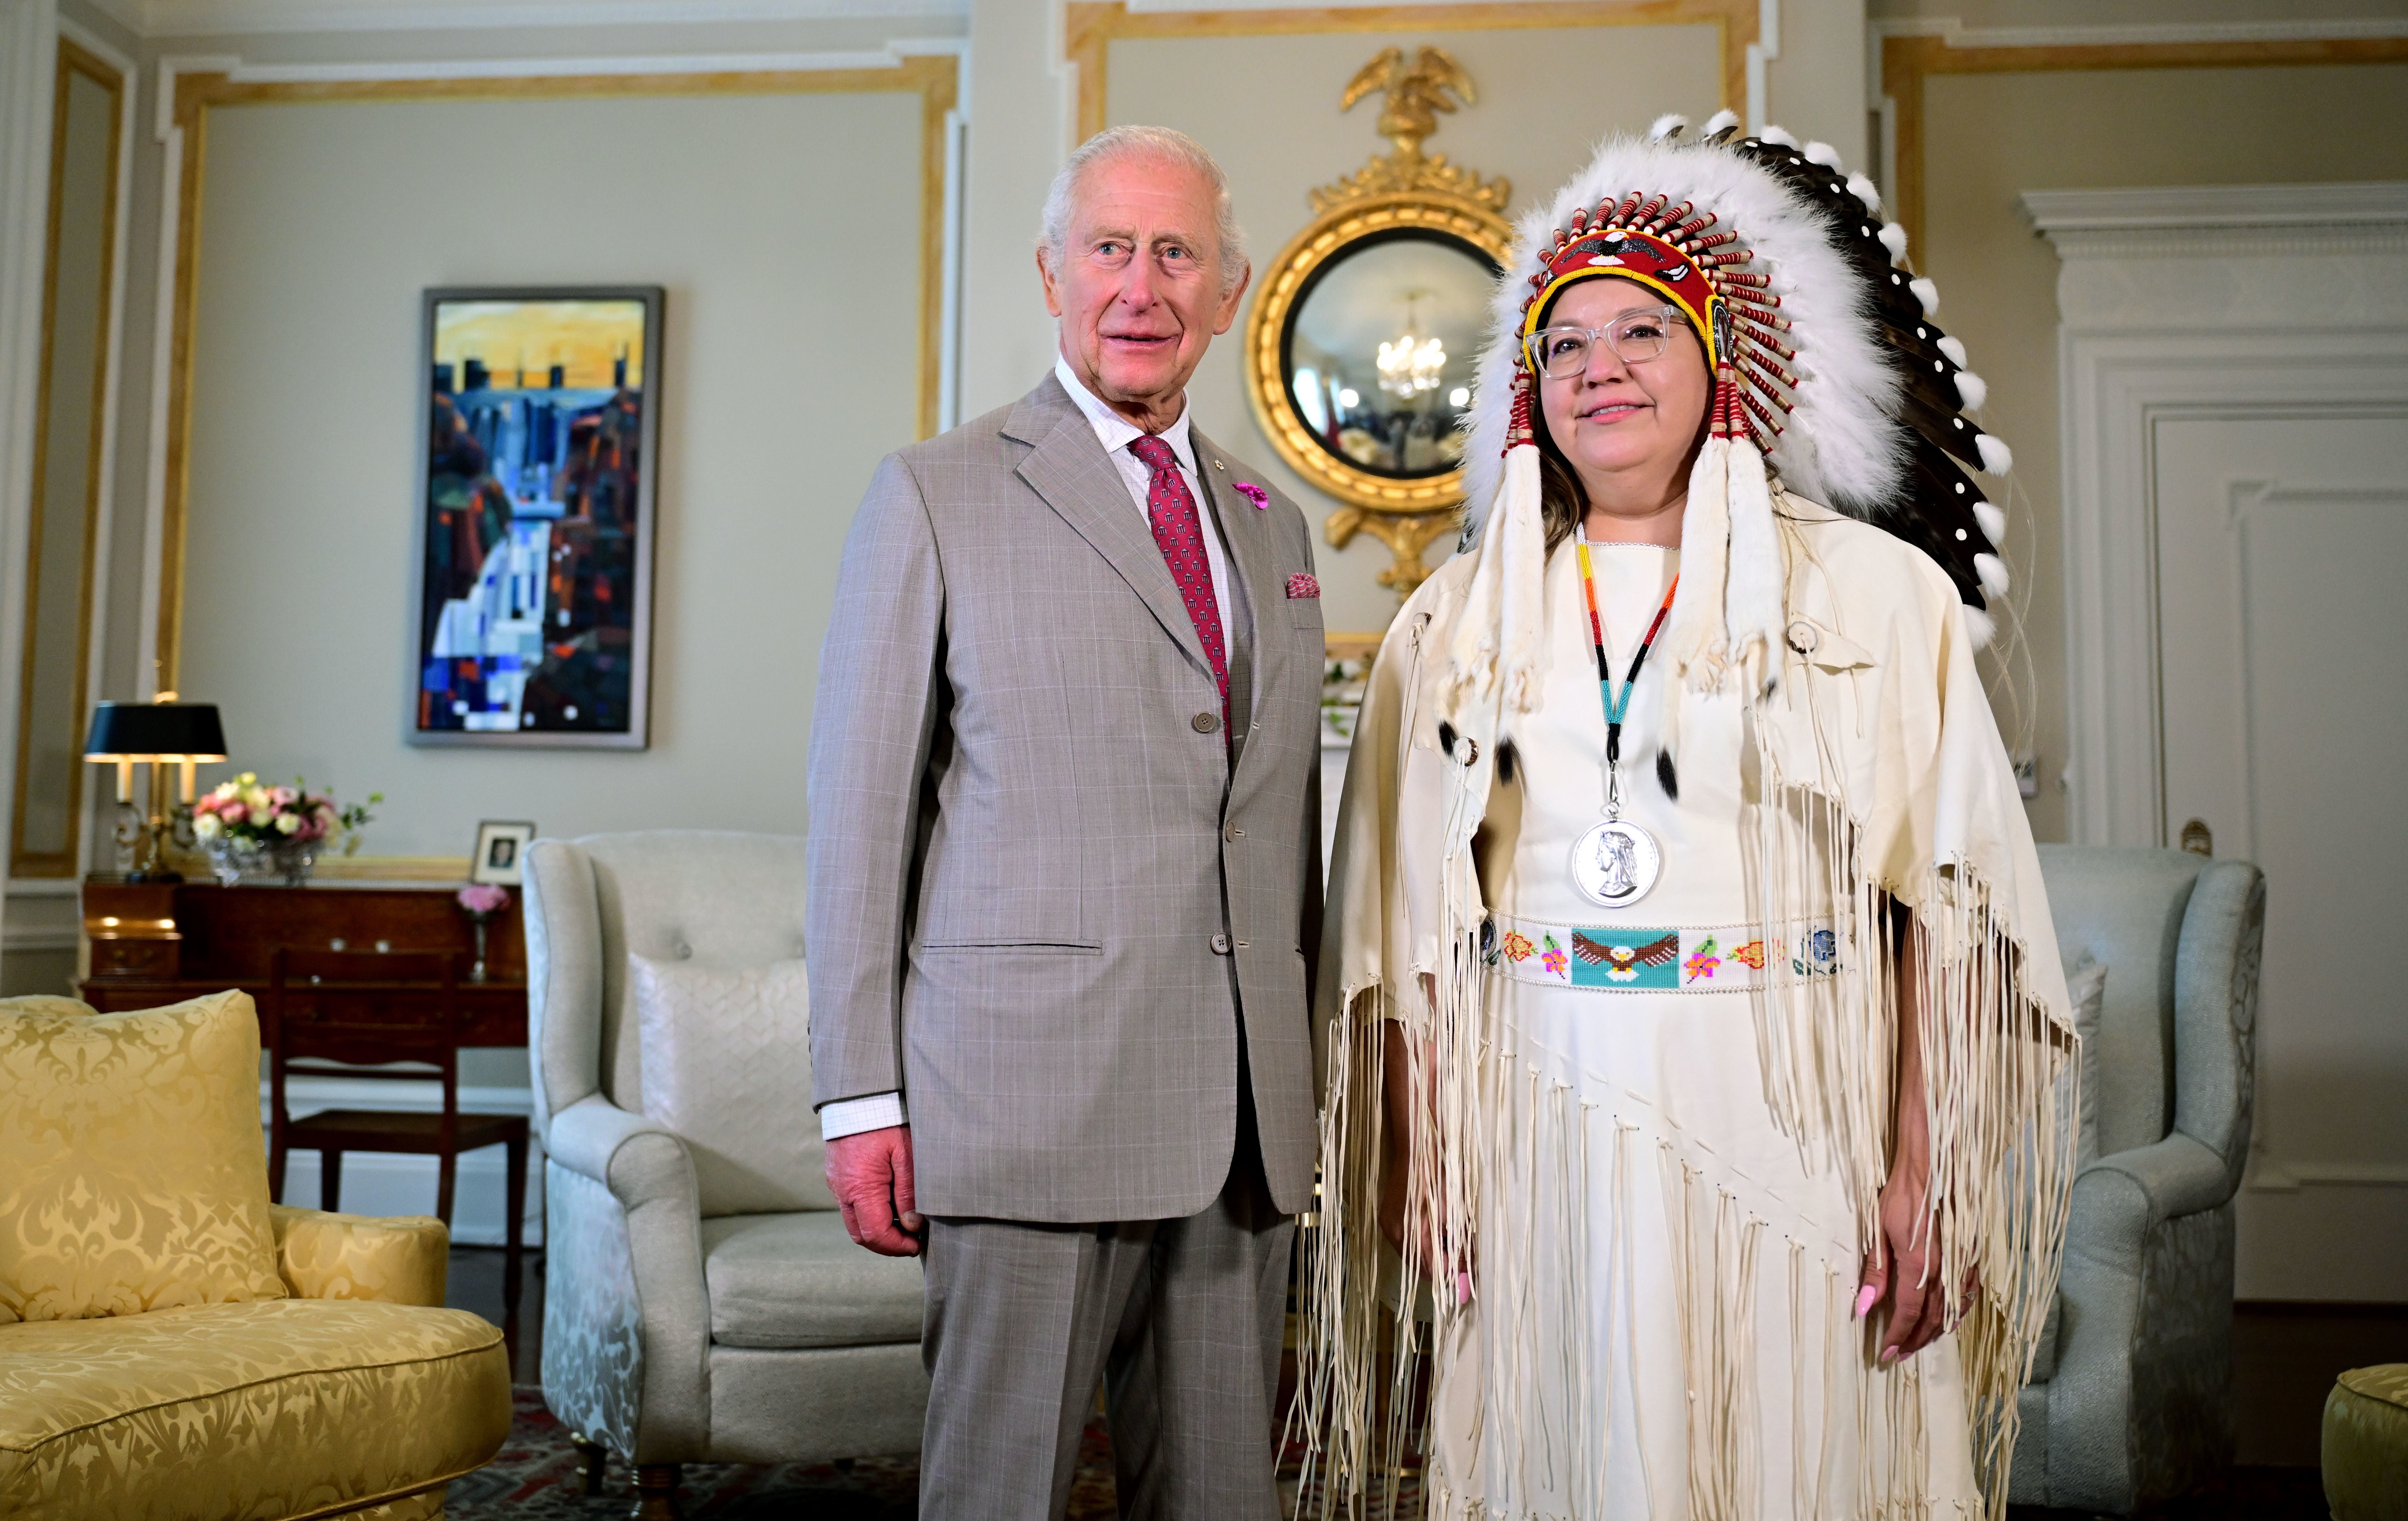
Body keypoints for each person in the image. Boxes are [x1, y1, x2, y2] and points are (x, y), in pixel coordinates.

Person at [1296, 115, 2078, 1520]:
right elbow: (1401, 931)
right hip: (1543, 1112)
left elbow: (1945, 917)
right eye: (1566, 343)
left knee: (1798, 1452)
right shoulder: (1453, 620)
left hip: (1793, 1112)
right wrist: (1421, 1157)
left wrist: (1924, 1174)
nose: (1600, 370)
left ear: (1724, 362)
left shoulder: (1874, 600)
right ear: (1531, 390)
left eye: (1641, 333)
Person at [805, 125, 1325, 1520]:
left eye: (1176, 253)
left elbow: (1282, 830)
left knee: (1223, 1500)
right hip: (1018, 1105)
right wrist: (861, 1099)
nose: (1140, 287)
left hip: (1240, 1122)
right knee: (998, 1496)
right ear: (1051, 272)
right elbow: (859, 821)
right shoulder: (937, 493)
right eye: (1109, 247)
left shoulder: (1276, 528)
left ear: (1231, 286)